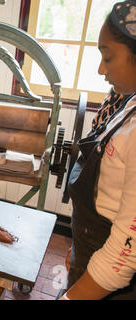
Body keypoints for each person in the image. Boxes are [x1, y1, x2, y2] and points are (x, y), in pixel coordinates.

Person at [61, 0, 136, 300]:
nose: (100, 68)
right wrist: (79, 244)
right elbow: (108, 192)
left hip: (112, 279)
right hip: (92, 247)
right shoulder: (129, 102)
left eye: (108, 57)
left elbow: (124, 254)